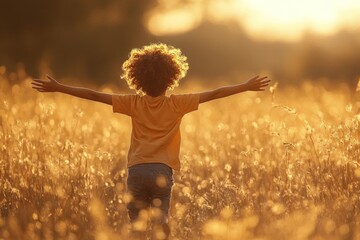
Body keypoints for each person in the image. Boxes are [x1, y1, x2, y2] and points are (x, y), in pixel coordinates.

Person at [32, 43, 270, 239]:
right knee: (161, 219)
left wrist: (59, 87)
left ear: (137, 79)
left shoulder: (133, 104)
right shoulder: (178, 104)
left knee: (136, 227)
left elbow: (94, 95)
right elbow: (216, 93)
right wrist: (246, 86)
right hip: (162, 171)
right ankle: (164, 228)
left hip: (136, 169)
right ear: (172, 77)